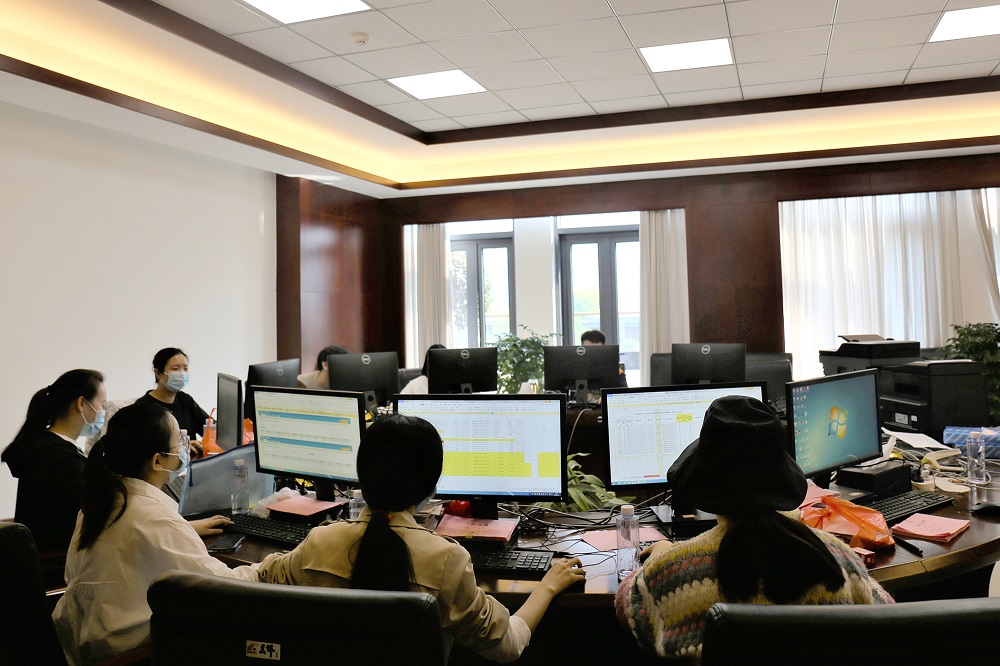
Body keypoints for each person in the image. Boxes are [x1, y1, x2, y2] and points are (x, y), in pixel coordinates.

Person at [257, 414, 586, 662]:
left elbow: (255, 578)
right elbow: (508, 646)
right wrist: (548, 586)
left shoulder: (319, 543)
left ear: (362, 475)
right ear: (432, 487)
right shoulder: (446, 560)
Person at [615, 396, 893, 662]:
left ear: (704, 480)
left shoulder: (673, 570)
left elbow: (629, 608)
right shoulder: (837, 557)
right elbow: (887, 615)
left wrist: (660, 556)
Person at [52, 402, 257, 665]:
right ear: (157, 461)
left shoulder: (103, 499)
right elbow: (223, 589)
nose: (184, 448)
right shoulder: (154, 519)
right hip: (128, 655)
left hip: (83, 640)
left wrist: (183, 528)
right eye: (178, 442)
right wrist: (281, 565)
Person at [2, 369, 106, 555]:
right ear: (82, 403)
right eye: (102, 404)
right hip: (57, 561)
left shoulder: (45, 446)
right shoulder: (59, 457)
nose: (102, 412)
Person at [136, 347, 209, 442]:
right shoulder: (143, 407)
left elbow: (211, 429)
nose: (182, 373)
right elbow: (146, 444)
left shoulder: (185, 399)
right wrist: (183, 446)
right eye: (175, 368)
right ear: (158, 373)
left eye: (185, 368)